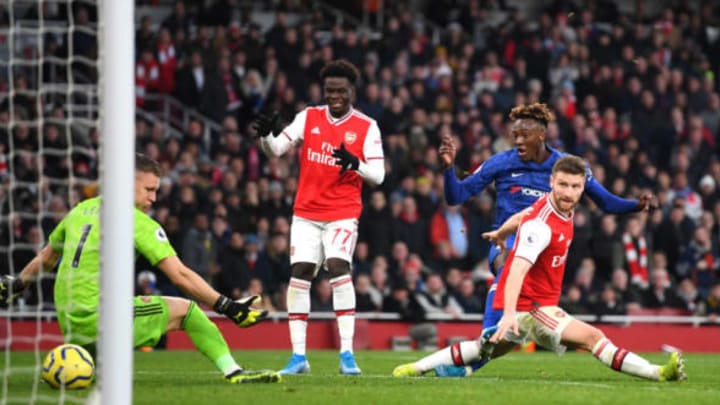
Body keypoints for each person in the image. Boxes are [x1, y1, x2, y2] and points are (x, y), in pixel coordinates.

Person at [392, 156, 686, 382]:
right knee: (594, 338)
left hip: (529, 304)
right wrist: (509, 314)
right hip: (530, 307)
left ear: (583, 187)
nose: (569, 192)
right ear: (552, 182)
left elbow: (522, 214)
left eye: (575, 186)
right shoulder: (542, 227)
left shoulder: (550, 206)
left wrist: (502, 233)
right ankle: (660, 373)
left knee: (484, 348)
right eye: (563, 185)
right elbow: (517, 268)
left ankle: (412, 369)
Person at [0, 154, 280, 384]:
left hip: (68, 322)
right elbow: (180, 275)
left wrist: (17, 283)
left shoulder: (80, 210)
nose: (154, 198)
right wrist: (228, 306)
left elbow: (47, 257)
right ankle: (234, 371)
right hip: (100, 318)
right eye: (149, 189)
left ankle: (84, 365)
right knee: (188, 311)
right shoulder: (136, 221)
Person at [435, 103, 655, 377]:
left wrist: (635, 205)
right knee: (512, 258)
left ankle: (475, 359)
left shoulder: (566, 168)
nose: (517, 141)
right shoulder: (500, 162)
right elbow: (456, 196)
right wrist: (448, 170)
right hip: (508, 240)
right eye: (514, 135)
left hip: (548, 247)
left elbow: (606, 202)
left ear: (540, 135)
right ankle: (496, 328)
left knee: (508, 336)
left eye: (523, 135)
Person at [253, 59, 385, 375]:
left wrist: (355, 164)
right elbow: (276, 150)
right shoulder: (308, 116)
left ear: (352, 91)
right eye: (329, 90)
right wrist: (265, 137)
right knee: (300, 273)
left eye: (341, 90)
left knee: (339, 267)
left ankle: (347, 354)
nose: (334, 95)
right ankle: (299, 358)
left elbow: (378, 176)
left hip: (342, 212)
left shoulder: (367, 126)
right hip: (306, 213)